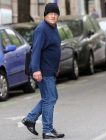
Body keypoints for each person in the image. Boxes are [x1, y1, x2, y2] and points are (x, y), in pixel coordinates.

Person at [22, 3, 65, 139]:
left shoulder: (53, 28)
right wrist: (36, 70)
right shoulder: (42, 30)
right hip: (42, 70)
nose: (53, 15)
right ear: (45, 15)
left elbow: (53, 49)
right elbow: (36, 51)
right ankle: (47, 130)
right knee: (50, 98)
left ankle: (30, 119)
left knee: (51, 97)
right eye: (50, 13)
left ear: (58, 15)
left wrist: (56, 64)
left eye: (55, 13)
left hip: (49, 69)